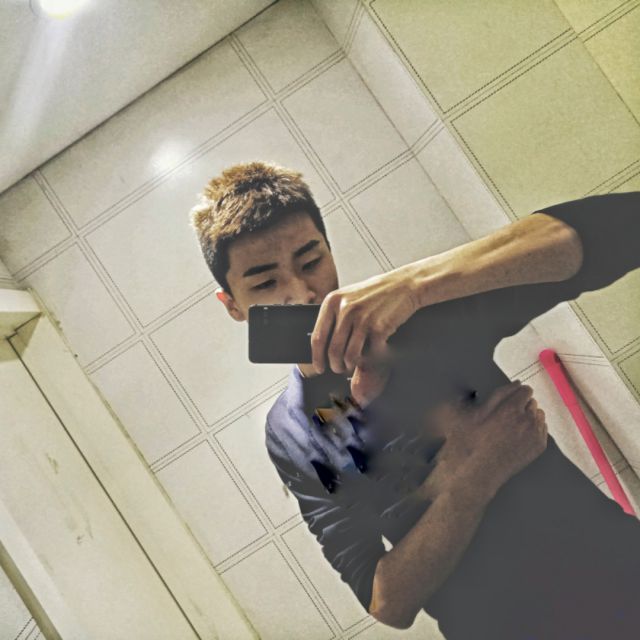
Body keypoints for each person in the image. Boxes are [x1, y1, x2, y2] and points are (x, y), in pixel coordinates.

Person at [190, 161, 640, 639]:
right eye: (264, 283)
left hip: (619, 575)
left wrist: (414, 285)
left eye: (310, 261)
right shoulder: (292, 430)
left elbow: (619, 228)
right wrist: (472, 476)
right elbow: (386, 601)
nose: (300, 293)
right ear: (232, 304)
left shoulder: (418, 320)